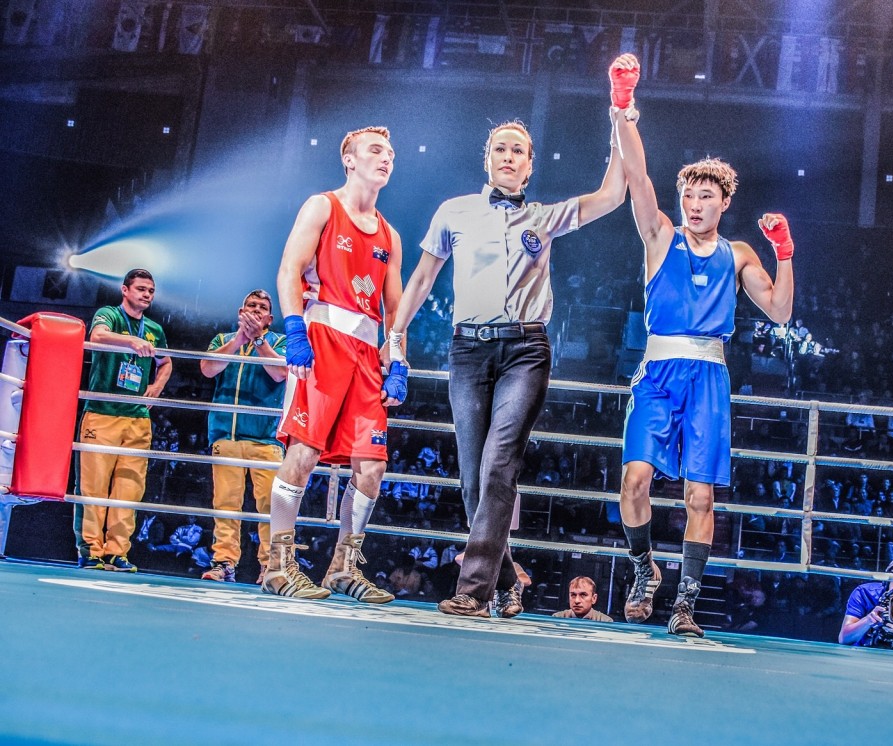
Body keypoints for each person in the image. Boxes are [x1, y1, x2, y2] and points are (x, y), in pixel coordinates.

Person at [384, 109, 626, 618]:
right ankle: (508, 580)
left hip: (525, 350)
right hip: (467, 350)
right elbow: (424, 277)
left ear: (530, 165)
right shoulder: (454, 211)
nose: (509, 156)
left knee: (498, 466)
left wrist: (620, 118)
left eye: (518, 150)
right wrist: (395, 335)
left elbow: (612, 196)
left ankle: (472, 591)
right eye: (501, 148)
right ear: (487, 159)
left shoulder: (544, 216)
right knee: (473, 478)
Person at [610, 53, 795, 637]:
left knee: (699, 498)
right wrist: (623, 108)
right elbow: (637, 176)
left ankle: (685, 603)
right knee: (634, 480)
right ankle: (645, 570)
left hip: (709, 377)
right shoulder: (660, 236)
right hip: (659, 371)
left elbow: (781, 310)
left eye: (705, 196)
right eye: (688, 194)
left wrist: (784, 252)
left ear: (724, 202)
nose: (694, 203)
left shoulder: (737, 254)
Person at [263, 125, 405, 602]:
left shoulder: (390, 234)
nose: (385, 157)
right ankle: (278, 567)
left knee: (372, 466)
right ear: (349, 159)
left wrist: (399, 360)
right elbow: (288, 267)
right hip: (322, 340)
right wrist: (294, 329)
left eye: (390, 152)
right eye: (375, 150)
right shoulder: (322, 205)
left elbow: (395, 310)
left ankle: (343, 568)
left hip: (367, 356)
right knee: (302, 454)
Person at [76, 268, 172, 571]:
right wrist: (130, 342)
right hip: (102, 412)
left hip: (137, 418)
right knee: (93, 487)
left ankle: (118, 552)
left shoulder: (155, 328)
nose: (146, 294)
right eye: (141, 288)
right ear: (125, 290)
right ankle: (90, 550)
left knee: (128, 489)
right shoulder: (110, 315)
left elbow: (165, 361)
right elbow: (97, 336)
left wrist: (155, 389)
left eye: (151, 291)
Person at [198, 290, 287, 583]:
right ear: (241, 311)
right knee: (225, 503)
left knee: (269, 506)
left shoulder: (279, 341)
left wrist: (258, 339)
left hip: (267, 438)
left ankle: (270, 566)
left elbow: (279, 374)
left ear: (270, 318)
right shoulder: (223, 339)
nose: (256, 310)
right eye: (252, 306)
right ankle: (224, 563)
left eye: (262, 308)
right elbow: (208, 369)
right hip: (227, 434)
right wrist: (239, 340)